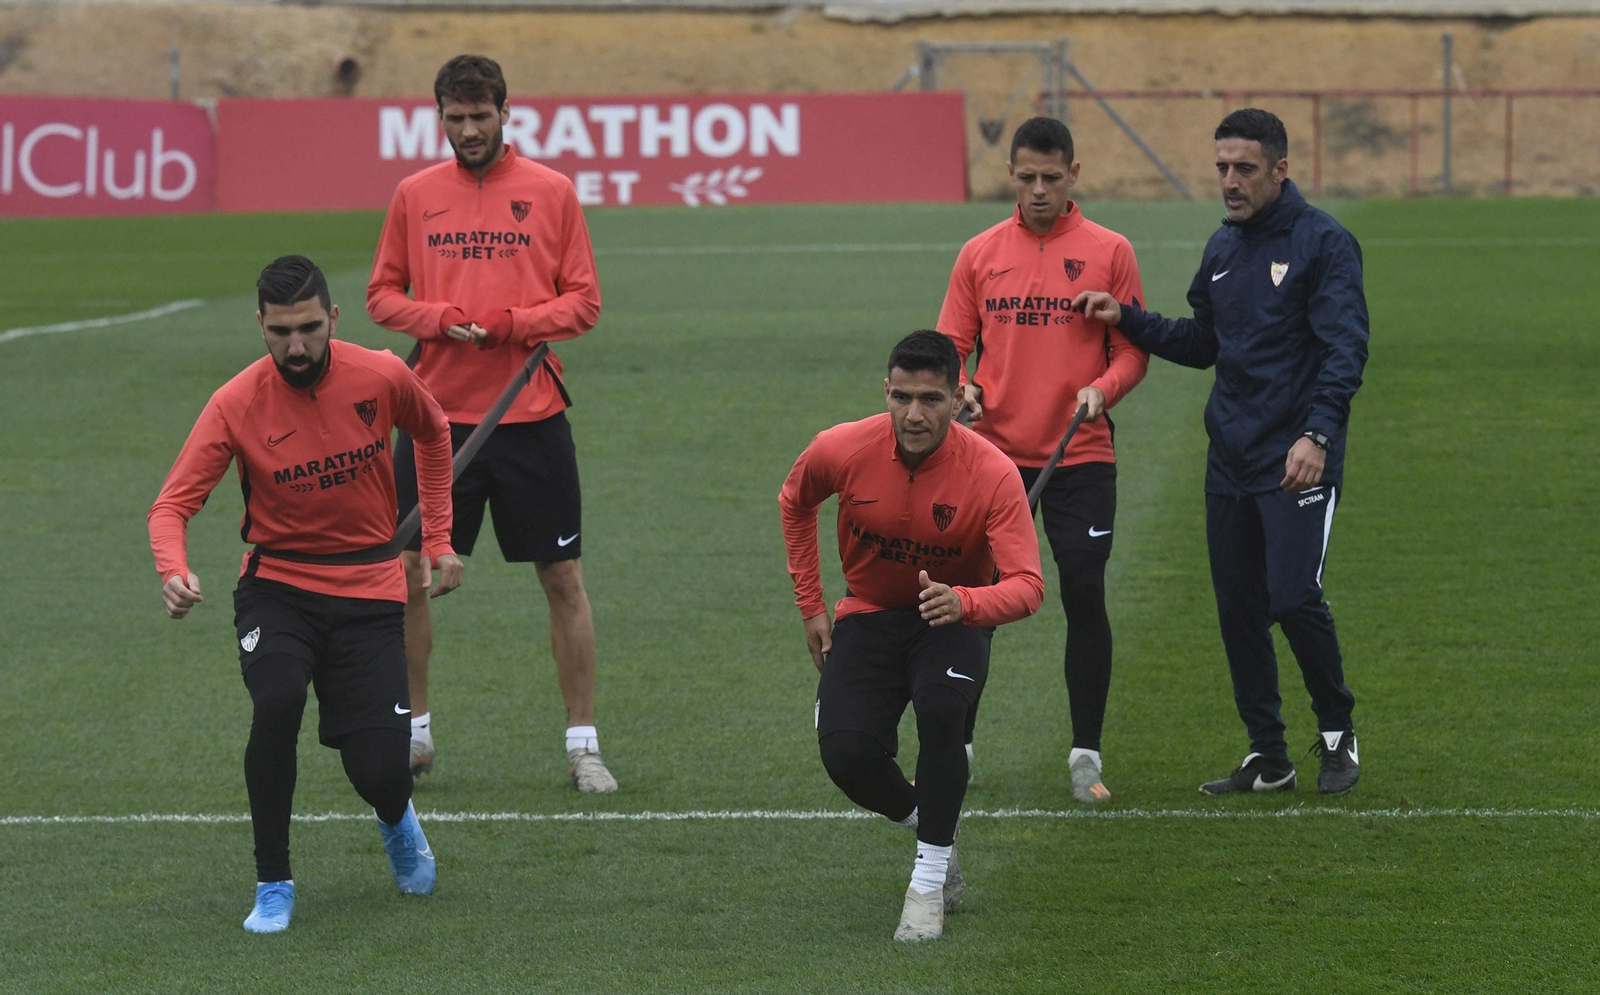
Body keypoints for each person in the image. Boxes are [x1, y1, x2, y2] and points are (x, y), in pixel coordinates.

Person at [148, 256, 462, 933]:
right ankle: (273, 882)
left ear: (334, 320)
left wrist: (437, 534)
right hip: (279, 589)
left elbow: (435, 432)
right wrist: (172, 569)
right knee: (278, 699)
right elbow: (171, 505)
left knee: (381, 771)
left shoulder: (380, 374)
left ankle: (395, 817)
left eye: (310, 329)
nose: (296, 346)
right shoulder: (235, 403)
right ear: (259, 325)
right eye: (281, 332)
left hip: (371, 592)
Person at [1072, 108, 1369, 795]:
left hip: (1297, 456)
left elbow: (1344, 349)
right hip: (1230, 457)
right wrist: (1130, 319)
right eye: (1222, 168)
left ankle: (1336, 728)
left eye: (1244, 169)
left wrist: (1317, 435)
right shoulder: (1223, 249)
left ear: (1280, 169)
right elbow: (1206, 344)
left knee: (1293, 597)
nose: (1230, 182)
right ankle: (1269, 754)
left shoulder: (1324, 242)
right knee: (1238, 608)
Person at [367, 54, 614, 792]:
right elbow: (382, 295)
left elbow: (584, 303)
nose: (468, 130)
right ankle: (413, 733)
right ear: (438, 116)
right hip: (433, 419)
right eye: (455, 117)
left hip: (530, 412)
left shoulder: (550, 191)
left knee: (563, 576)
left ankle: (583, 745)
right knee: (405, 572)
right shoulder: (415, 195)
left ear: (506, 113)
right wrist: (438, 319)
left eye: (480, 116)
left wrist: (513, 323)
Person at [778, 331, 1044, 942]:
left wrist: (966, 601)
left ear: (958, 397)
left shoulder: (993, 473)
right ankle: (936, 826)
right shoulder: (841, 448)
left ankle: (927, 884)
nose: (914, 415)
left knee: (941, 711)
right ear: (886, 392)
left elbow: (1029, 586)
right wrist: (812, 605)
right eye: (902, 397)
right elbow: (795, 503)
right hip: (868, 614)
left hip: (950, 619)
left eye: (931, 399)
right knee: (845, 754)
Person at [936, 116, 1148, 804]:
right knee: (975, 602)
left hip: (1081, 456)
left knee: (1083, 592)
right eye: (1025, 177)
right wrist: (960, 388)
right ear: (1010, 174)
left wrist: (1102, 388)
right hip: (992, 461)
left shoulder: (1110, 250)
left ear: (1074, 176)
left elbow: (1133, 348)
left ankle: (1086, 752)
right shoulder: (978, 252)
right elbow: (950, 346)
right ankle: (957, 744)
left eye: (1051, 178)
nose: (1037, 190)